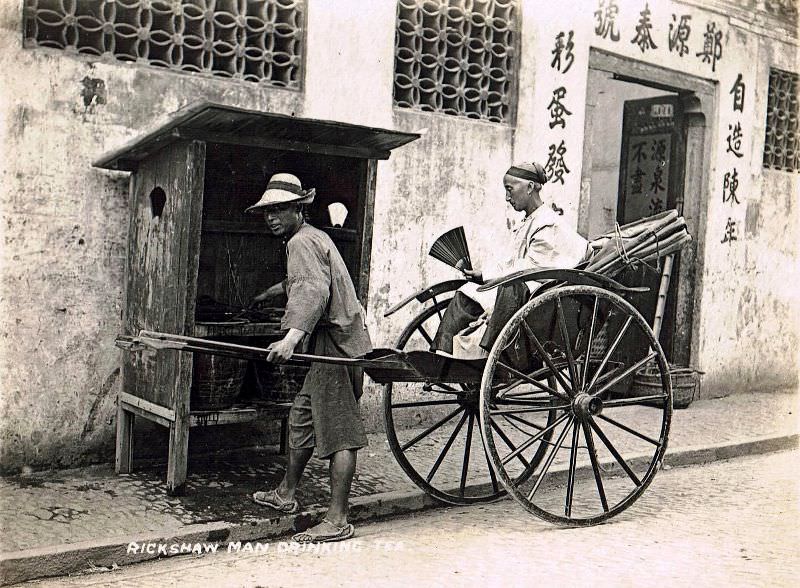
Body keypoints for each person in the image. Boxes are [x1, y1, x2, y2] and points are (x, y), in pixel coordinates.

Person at [246, 173, 371, 544]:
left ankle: (338, 519)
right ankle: (285, 494)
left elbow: (313, 290)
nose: (271, 217)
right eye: (267, 211)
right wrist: (268, 294)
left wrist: (290, 338)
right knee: (301, 417)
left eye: (280, 210)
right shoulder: (311, 238)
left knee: (338, 433)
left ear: (299, 209)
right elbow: (301, 282)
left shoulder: (301, 241)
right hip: (331, 345)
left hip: (336, 348)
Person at [432, 161, 589, 356]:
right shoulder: (529, 221)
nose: (507, 197)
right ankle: (444, 353)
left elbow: (534, 268)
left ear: (530, 187)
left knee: (495, 292)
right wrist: (483, 274)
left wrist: (490, 277)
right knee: (466, 293)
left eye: (510, 190)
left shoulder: (548, 224)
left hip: (534, 295)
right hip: (520, 286)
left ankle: (487, 354)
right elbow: (511, 262)